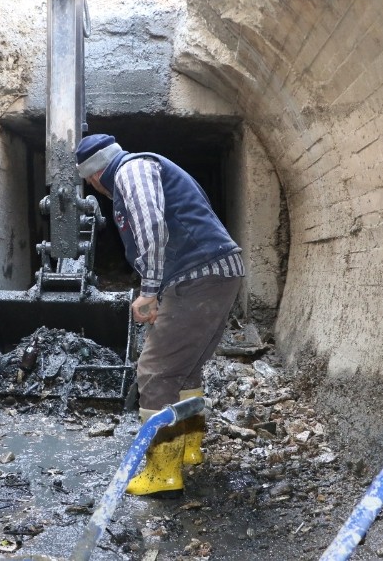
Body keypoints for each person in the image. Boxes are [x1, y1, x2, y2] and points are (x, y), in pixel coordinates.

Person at [75, 133, 244, 498]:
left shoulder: (130, 171)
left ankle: (163, 474)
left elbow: (151, 227)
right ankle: (189, 447)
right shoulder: (153, 166)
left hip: (198, 276)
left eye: (90, 182)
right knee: (186, 365)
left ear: (94, 175)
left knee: (155, 370)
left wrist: (149, 292)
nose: (95, 189)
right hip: (217, 272)